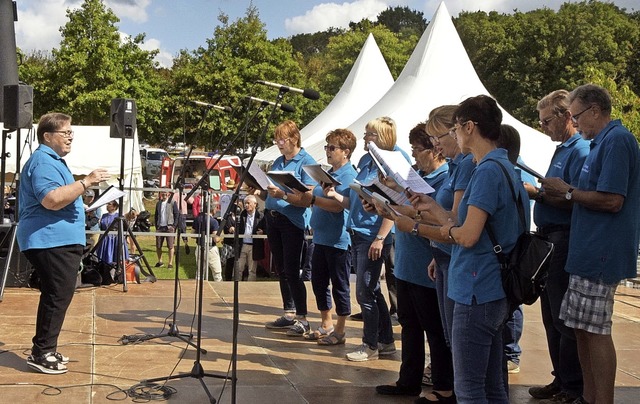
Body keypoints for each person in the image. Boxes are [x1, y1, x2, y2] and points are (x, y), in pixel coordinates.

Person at [411, 95, 527, 402]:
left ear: (470, 127)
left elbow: (467, 235)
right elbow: (466, 221)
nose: (453, 137)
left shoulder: (486, 171)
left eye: (455, 131)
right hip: (490, 287)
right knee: (491, 386)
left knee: (470, 388)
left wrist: (416, 227)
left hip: (478, 287)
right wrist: (434, 208)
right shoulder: (501, 165)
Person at [540, 84, 640, 404]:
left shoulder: (618, 141)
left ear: (595, 111)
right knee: (581, 328)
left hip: (601, 252)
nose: (574, 121)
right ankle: (589, 396)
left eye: (576, 115)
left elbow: (612, 200)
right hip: (587, 252)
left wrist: (566, 191)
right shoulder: (600, 143)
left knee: (595, 330)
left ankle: (602, 399)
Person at [17, 112, 110, 374]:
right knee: (58, 293)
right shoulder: (44, 162)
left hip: (56, 238)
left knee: (57, 293)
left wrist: (84, 206)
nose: (70, 137)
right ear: (47, 136)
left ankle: (46, 347)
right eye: (65, 133)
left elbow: (60, 198)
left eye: (71, 133)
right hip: (49, 239)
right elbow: (50, 199)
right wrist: (86, 182)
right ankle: (42, 352)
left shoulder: (52, 161)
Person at [375, 123, 454, 402]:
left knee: (434, 329)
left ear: (434, 150)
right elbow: (409, 208)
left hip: (426, 263)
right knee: (409, 325)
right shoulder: (417, 175)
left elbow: (442, 218)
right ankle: (408, 380)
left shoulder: (446, 178)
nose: (414, 154)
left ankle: (443, 385)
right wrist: (384, 204)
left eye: (417, 149)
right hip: (407, 262)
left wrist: (409, 214)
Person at [524, 90, 588, 403]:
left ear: (566, 117)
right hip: (551, 236)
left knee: (563, 318)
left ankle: (573, 385)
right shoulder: (564, 149)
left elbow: (575, 198)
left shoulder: (580, 150)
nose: (544, 126)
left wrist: (540, 194)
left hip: (562, 236)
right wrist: (539, 193)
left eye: (548, 120)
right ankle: (561, 378)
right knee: (550, 316)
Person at [251, 120, 317, 336]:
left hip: (292, 221)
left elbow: (308, 197)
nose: (278, 143)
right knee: (280, 268)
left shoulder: (306, 162)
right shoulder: (278, 161)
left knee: (292, 270)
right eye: (276, 139)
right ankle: (289, 312)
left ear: (294, 139)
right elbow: (271, 188)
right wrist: (259, 189)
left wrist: (283, 195)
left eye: (282, 139)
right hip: (273, 218)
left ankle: (303, 317)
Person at [344, 116, 402, 362]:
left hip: (373, 235)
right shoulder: (367, 159)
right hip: (358, 230)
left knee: (365, 292)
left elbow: (396, 204)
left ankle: (370, 344)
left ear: (383, 136)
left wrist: (380, 237)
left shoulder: (395, 160)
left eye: (370, 134)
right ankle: (386, 342)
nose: (365, 138)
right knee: (371, 290)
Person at [301, 129, 358, 345]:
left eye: (332, 148)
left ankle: (340, 330)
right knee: (318, 282)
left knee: (340, 284)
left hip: (338, 239)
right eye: (327, 147)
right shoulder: (329, 173)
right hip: (321, 237)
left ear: (346, 152)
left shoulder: (348, 175)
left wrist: (313, 200)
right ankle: (326, 323)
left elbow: (338, 206)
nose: (328, 151)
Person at [231, 195, 265, 281]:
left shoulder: (261, 216)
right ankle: (236, 286)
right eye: (245, 203)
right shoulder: (242, 214)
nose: (246, 205)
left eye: (248, 203)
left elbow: (267, 228)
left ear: (255, 204)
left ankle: (251, 288)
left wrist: (263, 232)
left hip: (254, 246)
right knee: (238, 268)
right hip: (242, 245)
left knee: (252, 270)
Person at [193, 200, 223, 281]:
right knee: (217, 273)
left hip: (199, 247)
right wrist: (220, 236)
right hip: (210, 249)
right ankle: (219, 291)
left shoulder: (197, 219)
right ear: (213, 209)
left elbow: (192, 234)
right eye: (216, 208)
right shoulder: (214, 222)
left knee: (199, 273)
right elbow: (216, 239)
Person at [95, 200, 129, 264]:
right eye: (107, 204)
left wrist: (126, 237)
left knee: (117, 256)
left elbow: (125, 228)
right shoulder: (104, 216)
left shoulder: (119, 216)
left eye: (109, 204)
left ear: (114, 206)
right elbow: (102, 227)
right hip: (105, 238)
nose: (107, 205)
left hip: (115, 238)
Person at [154, 191, 179, 268]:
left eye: (165, 193)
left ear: (168, 194)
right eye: (162, 193)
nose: (164, 195)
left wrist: (174, 226)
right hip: (160, 227)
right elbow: (156, 215)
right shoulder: (158, 203)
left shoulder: (172, 202)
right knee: (158, 245)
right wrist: (156, 225)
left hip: (169, 227)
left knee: (170, 246)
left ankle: (170, 263)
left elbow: (176, 214)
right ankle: (160, 261)